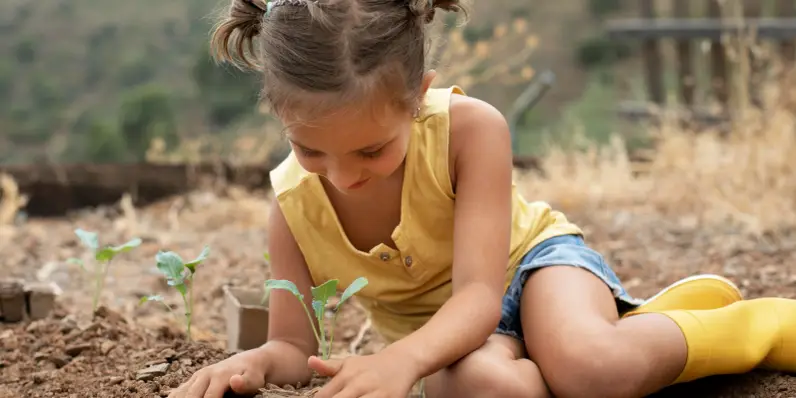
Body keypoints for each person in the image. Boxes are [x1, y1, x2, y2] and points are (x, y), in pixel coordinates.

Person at [169, 0, 796, 397]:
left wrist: (401, 361)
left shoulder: (470, 129)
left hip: (530, 271)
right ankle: (647, 322)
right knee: (489, 389)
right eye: (311, 151)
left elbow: (477, 294)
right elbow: (293, 347)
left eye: (370, 151)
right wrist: (251, 364)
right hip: (452, 344)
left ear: (420, 95)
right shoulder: (292, 206)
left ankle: (757, 327)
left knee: (592, 369)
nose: (343, 177)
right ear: (279, 118)